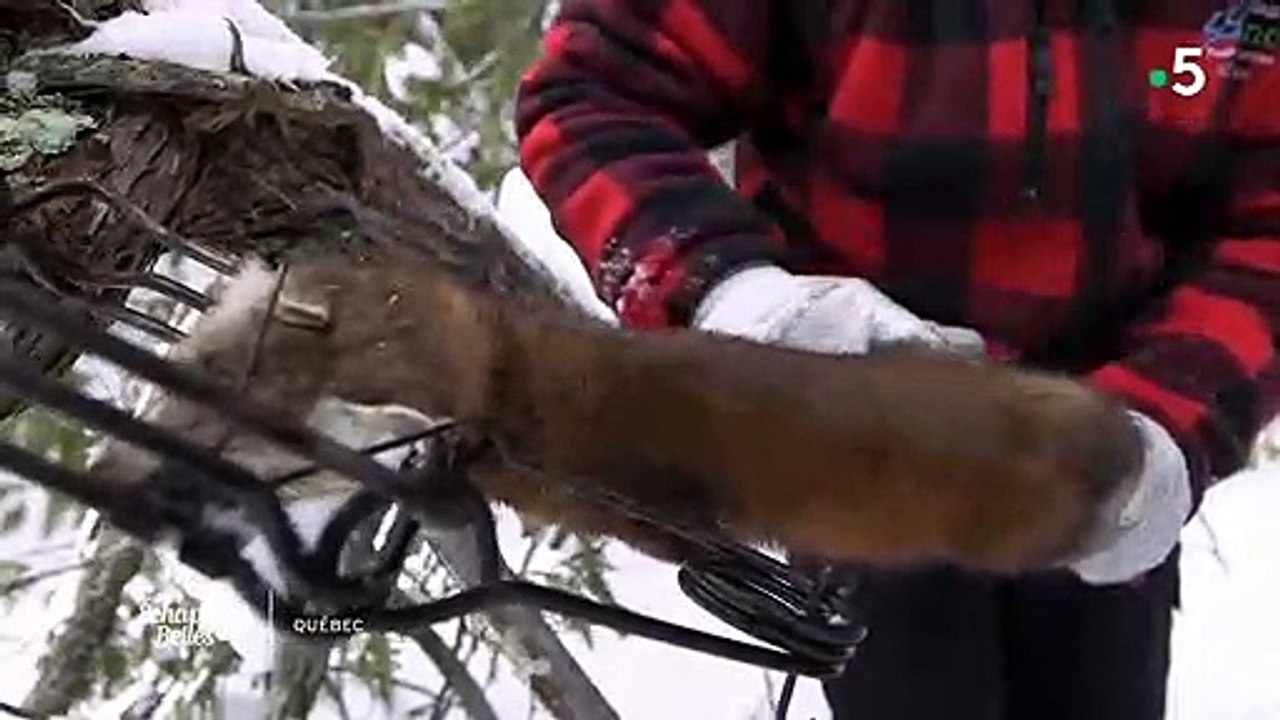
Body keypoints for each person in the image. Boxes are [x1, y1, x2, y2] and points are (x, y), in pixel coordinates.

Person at [512, 1, 1279, 718]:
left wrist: (1174, 419)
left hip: (1104, 461)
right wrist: (736, 298)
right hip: (862, 449)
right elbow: (595, 98)